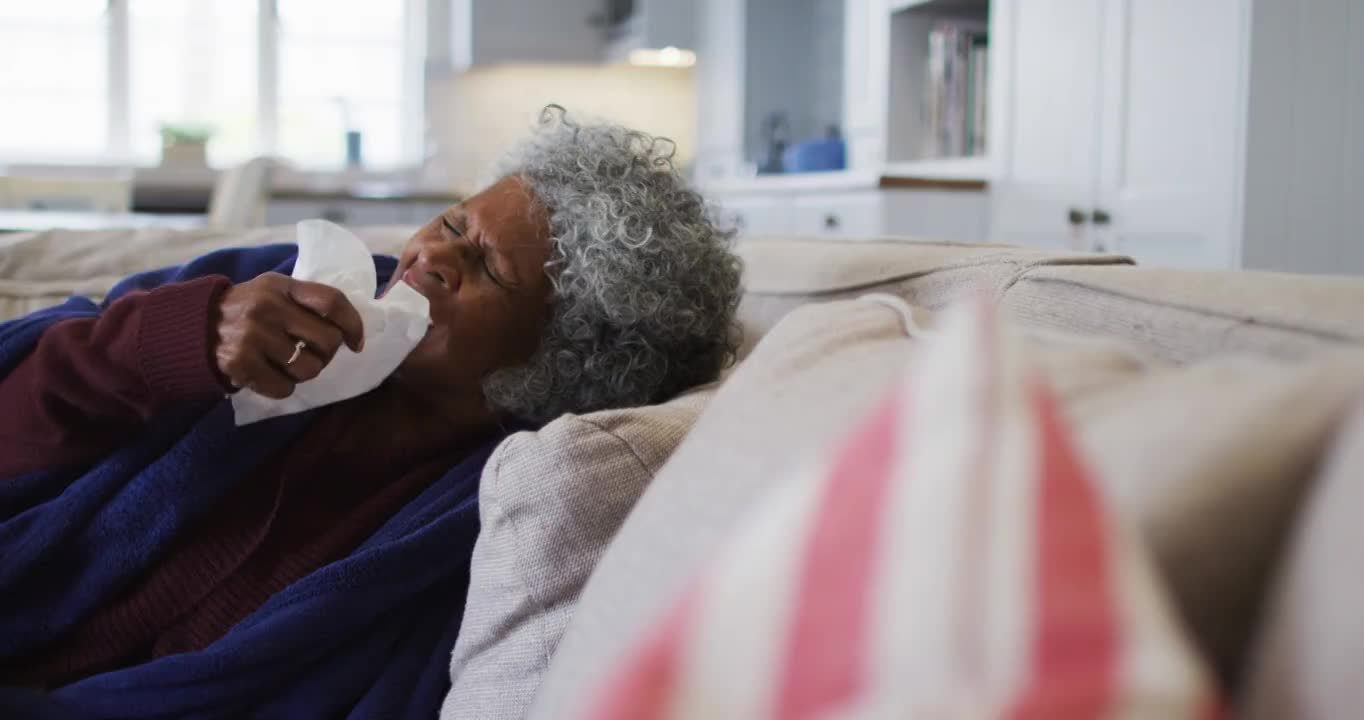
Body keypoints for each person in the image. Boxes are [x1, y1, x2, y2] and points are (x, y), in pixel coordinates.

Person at [0, 106, 742, 718]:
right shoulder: (261, 291)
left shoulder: (486, 518)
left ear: (558, 358)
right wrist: (172, 341)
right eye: (451, 226)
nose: (426, 259)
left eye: (484, 267)